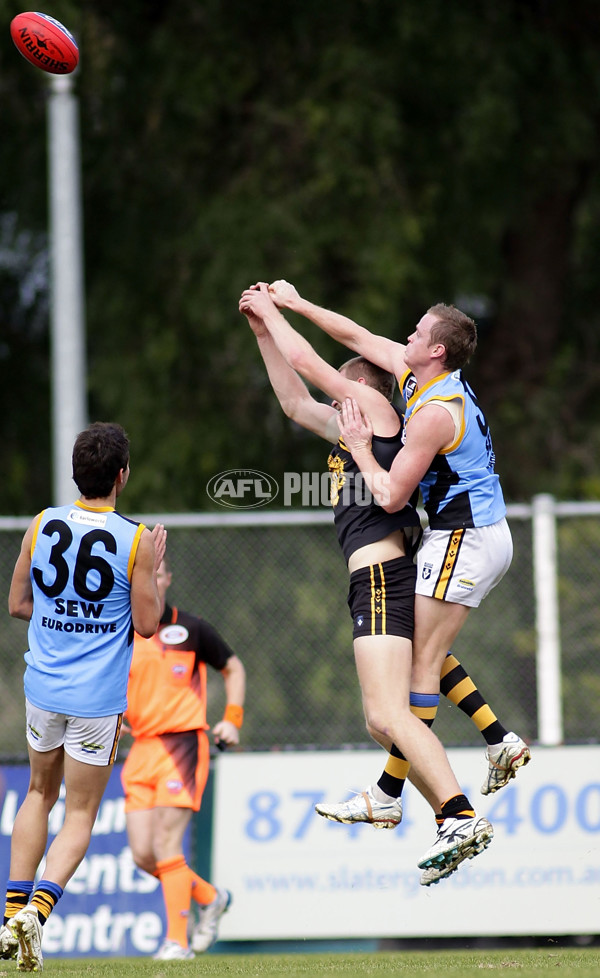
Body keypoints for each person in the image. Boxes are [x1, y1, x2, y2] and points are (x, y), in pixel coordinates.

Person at [265, 281, 530, 868]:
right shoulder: (417, 381)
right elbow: (346, 344)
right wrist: (294, 306)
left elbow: (386, 496)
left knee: (404, 693)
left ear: (436, 351)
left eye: (417, 332)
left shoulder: (429, 412)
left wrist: (360, 445)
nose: (406, 336)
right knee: (413, 672)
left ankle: (450, 811)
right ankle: (490, 744)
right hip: (457, 538)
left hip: (465, 537)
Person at [0, 421, 167, 972]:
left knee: (36, 794)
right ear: (121, 476)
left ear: (77, 474)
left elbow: (18, 603)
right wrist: (151, 566)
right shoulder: (136, 538)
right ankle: (38, 913)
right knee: (80, 811)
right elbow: (146, 625)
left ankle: (11, 913)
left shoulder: (41, 524)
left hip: (42, 686)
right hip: (96, 699)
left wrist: (60, 618)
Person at [121, 554, 246, 960]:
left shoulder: (191, 628)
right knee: (144, 855)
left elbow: (233, 668)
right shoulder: (122, 631)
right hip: (140, 749)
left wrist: (232, 718)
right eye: (144, 576)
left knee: (166, 844)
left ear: (167, 579)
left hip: (182, 746)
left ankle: (178, 943)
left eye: (157, 575)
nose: (151, 582)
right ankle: (210, 898)